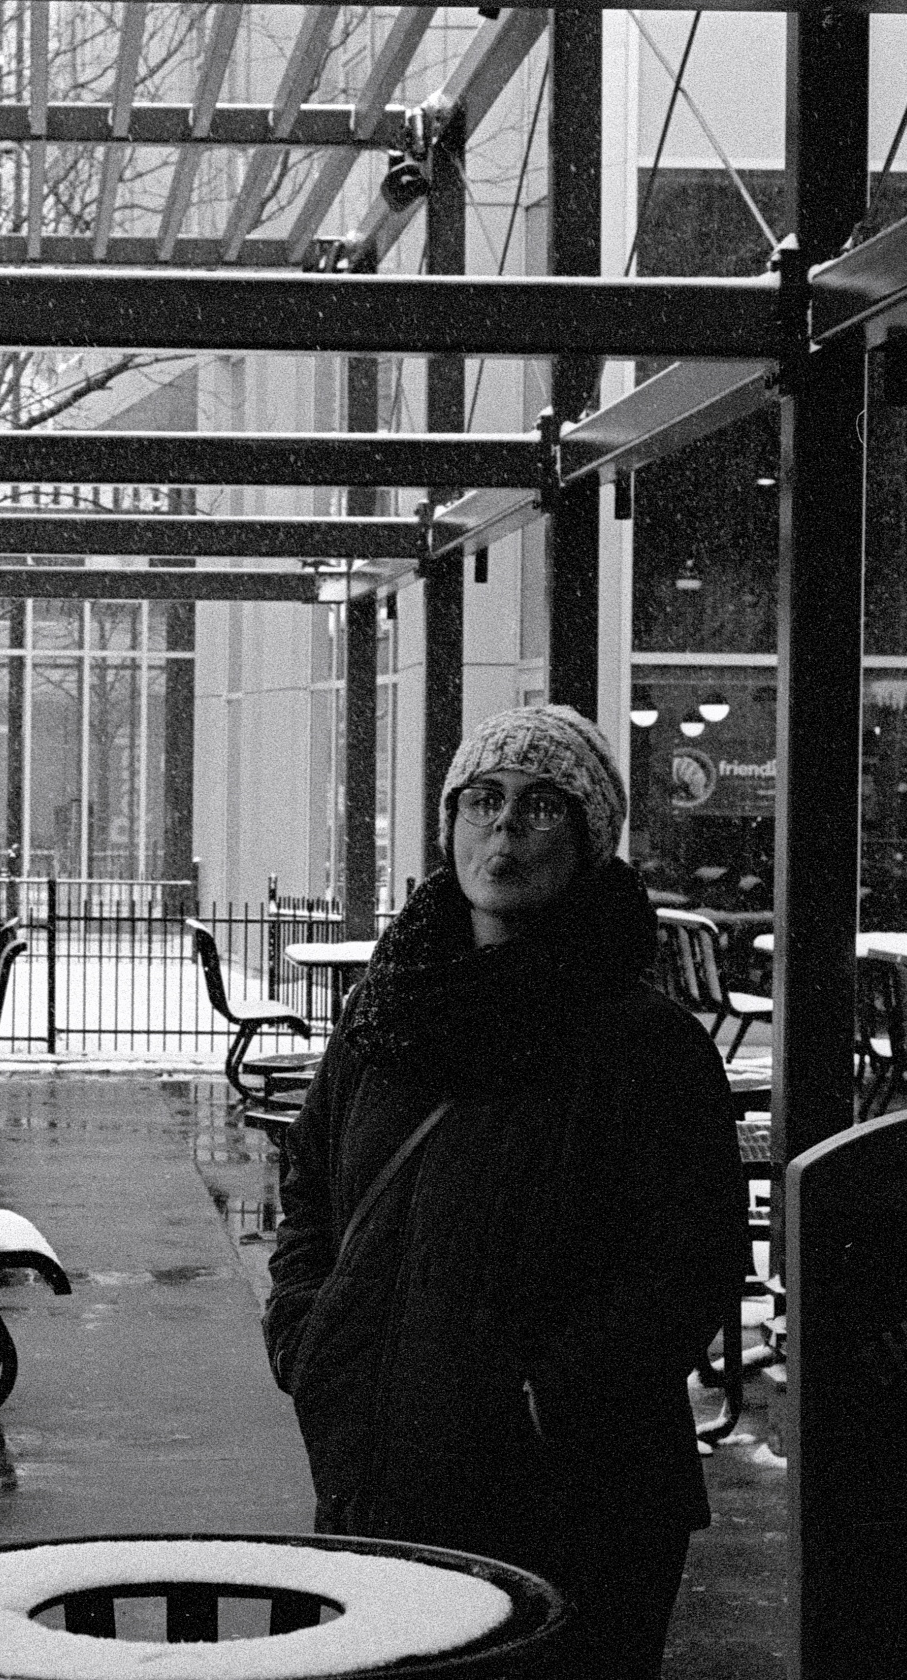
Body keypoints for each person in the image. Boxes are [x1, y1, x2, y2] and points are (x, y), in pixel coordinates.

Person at [263, 705, 745, 1680]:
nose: (504, 829)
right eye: (482, 799)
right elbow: (310, 1189)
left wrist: (545, 1399)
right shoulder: (386, 1012)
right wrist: (307, 1336)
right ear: (448, 823)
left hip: (574, 1510)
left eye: (540, 805)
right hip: (380, 1480)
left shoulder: (642, 1044)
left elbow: (689, 1263)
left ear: (588, 838)